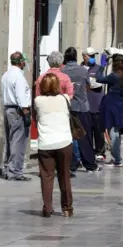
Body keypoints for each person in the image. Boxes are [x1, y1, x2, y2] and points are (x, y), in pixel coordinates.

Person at [34, 73, 74, 217]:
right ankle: (67, 207)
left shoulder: (38, 101)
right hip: (64, 141)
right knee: (64, 176)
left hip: (46, 143)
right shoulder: (65, 99)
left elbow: (35, 117)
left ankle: (48, 207)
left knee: (46, 176)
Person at [62, 47, 100, 172]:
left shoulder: (62, 71)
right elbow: (88, 85)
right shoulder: (83, 71)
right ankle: (89, 164)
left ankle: (72, 163)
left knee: (68, 137)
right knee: (85, 136)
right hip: (82, 107)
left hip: (67, 108)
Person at [1, 51, 32, 182]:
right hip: (18, 110)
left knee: (11, 140)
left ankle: (9, 168)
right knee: (18, 141)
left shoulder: (6, 75)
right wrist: (26, 113)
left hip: (8, 109)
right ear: (21, 62)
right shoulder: (18, 77)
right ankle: (16, 171)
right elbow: (20, 96)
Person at [96, 54, 123, 166]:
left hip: (111, 104)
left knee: (113, 132)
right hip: (119, 104)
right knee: (116, 131)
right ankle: (116, 157)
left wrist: (102, 66)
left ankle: (117, 158)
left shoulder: (114, 76)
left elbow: (99, 78)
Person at [83, 47, 106, 161]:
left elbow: (98, 83)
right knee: (87, 131)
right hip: (85, 105)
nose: (92, 58)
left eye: (93, 56)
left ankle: (100, 151)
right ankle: (89, 152)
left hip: (97, 103)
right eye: (90, 56)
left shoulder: (98, 68)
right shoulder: (81, 69)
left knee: (98, 130)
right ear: (84, 56)